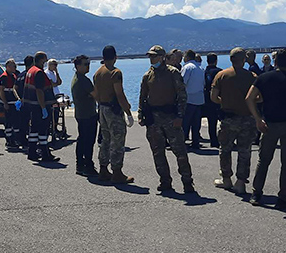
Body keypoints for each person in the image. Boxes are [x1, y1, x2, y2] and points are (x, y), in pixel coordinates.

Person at [245, 49, 286, 209]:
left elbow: (249, 98)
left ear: (275, 62)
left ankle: (256, 193)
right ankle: (283, 198)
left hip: (269, 124)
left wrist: (258, 119)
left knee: (264, 160)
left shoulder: (263, 78)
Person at [139, 45, 195, 194]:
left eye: (154, 56)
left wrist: (180, 116)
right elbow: (143, 97)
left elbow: (182, 96)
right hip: (153, 119)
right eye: (150, 56)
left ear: (162, 57)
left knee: (180, 152)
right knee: (158, 152)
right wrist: (141, 115)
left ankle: (187, 181)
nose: (151, 59)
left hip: (171, 117)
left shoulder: (173, 73)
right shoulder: (147, 76)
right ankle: (165, 181)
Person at [210, 47, 257, 195]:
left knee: (225, 149)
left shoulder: (221, 75)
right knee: (244, 151)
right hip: (247, 118)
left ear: (231, 59)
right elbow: (259, 97)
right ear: (244, 60)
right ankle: (241, 182)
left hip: (228, 118)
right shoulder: (252, 76)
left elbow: (213, 97)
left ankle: (226, 179)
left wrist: (224, 102)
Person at [93, 45, 134, 183]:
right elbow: (119, 94)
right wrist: (128, 112)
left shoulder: (97, 73)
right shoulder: (115, 73)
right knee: (117, 140)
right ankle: (117, 172)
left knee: (105, 139)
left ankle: (103, 169)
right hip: (113, 110)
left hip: (102, 109)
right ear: (115, 57)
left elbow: (96, 95)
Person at [23, 52, 59, 163]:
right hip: (39, 106)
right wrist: (43, 107)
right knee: (43, 130)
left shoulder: (30, 71)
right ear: (41, 60)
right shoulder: (38, 72)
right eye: (44, 60)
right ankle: (45, 154)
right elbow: (39, 91)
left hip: (32, 106)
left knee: (33, 130)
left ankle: (32, 152)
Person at [70, 55, 98, 177]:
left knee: (82, 139)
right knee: (88, 140)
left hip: (81, 113)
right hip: (87, 114)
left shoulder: (77, 78)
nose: (88, 66)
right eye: (85, 64)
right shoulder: (83, 80)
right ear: (78, 66)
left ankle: (80, 164)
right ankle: (87, 165)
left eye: (88, 63)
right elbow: (96, 95)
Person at [180, 50, 204, 149]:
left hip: (189, 98)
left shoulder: (187, 67)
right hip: (199, 99)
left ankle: (182, 142)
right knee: (196, 123)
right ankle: (195, 142)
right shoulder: (200, 68)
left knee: (185, 122)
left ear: (187, 57)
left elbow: (182, 82)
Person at [0, 59, 21, 149]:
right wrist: (5, 103)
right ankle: (9, 140)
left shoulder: (14, 76)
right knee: (9, 122)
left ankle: (15, 139)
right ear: (7, 67)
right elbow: (1, 91)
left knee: (16, 122)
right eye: (13, 66)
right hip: (8, 102)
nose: (15, 68)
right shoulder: (4, 77)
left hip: (14, 102)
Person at [203, 53, 222, 148]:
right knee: (223, 120)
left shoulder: (204, 72)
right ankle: (224, 140)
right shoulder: (219, 72)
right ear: (216, 61)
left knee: (212, 122)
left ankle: (213, 140)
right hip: (218, 98)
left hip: (207, 99)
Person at [15, 55, 34, 149]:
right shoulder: (31, 75)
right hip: (30, 102)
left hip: (22, 102)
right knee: (31, 122)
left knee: (23, 122)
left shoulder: (20, 75)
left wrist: (18, 98)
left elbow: (15, 88)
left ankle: (21, 140)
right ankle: (30, 141)